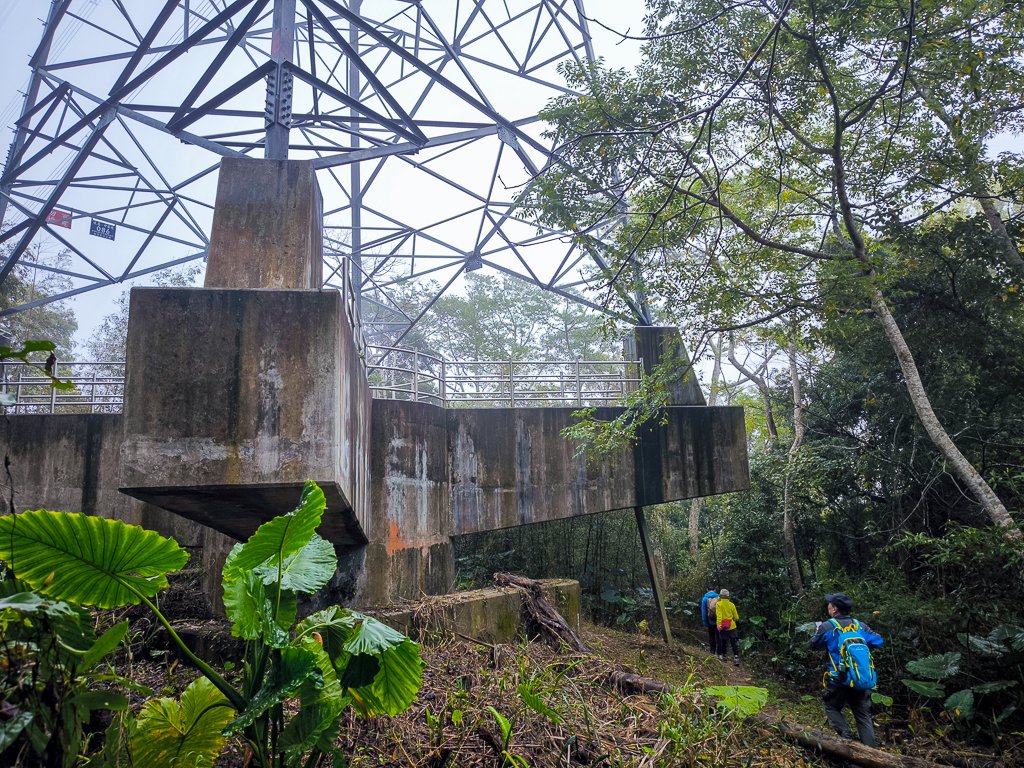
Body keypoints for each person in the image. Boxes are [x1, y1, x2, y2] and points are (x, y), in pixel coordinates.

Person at [809, 593, 884, 748]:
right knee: (863, 716)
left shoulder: (827, 626)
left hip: (838, 680)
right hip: (859, 678)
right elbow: (879, 640)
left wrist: (819, 632)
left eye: (830, 604)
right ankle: (871, 751)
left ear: (835, 609)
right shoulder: (860, 626)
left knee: (831, 707)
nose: (828, 606)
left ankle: (846, 739)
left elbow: (813, 645)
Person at [715, 588, 740, 665]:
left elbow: (719, 616)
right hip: (732, 626)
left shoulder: (719, 604)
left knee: (724, 642)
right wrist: (733, 620)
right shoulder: (732, 605)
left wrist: (719, 625)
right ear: (728, 596)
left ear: (721, 596)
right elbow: (736, 617)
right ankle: (736, 658)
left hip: (723, 627)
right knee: (733, 643)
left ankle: (724, 656)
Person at [700, 588, 719, 653]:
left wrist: (705, 622)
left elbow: (704, 612)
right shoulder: (718, 597)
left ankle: (712, 651)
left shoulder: (705, 598)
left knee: (711, 636)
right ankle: (719, 652)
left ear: (707, 589)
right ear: (715, 589)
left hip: (710, 620)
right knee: (718, 636)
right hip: (718, 620)